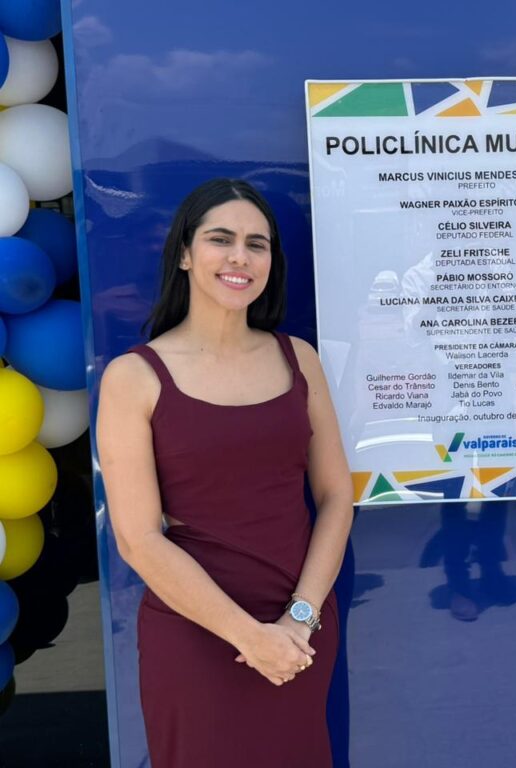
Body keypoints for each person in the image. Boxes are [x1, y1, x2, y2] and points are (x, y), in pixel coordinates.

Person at [97, 178, 353, 767]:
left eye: (256, 244)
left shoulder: (299, 360)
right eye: (221, 239)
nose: (240, 256)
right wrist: (250, 636)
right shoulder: (134, 377)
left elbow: (337, 495)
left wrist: (300, 618)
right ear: (185, 254)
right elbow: (138, 540)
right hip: (195, 634)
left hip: (302, 630)